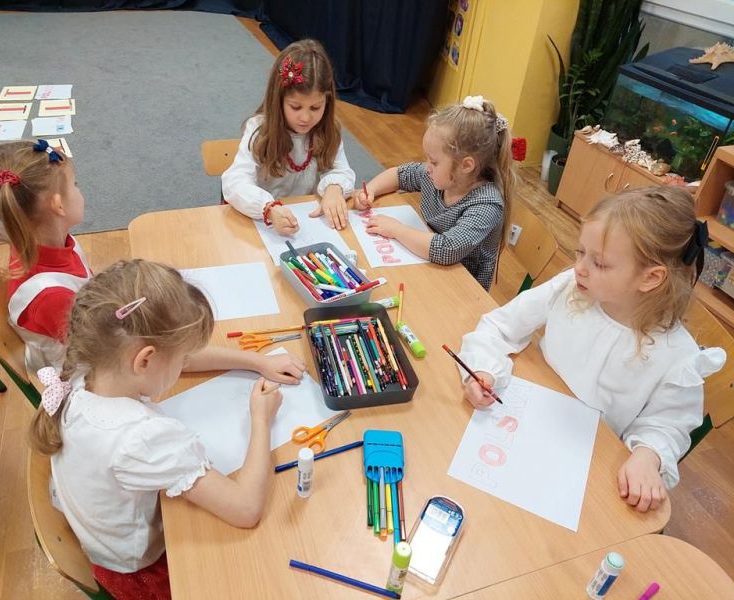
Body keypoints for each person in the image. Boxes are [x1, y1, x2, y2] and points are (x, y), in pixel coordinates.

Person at [29, 259, 287, 599]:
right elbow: (245, 509)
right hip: (140, 573)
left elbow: (182, 354)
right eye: (181, 360)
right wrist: (261, 419)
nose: (185, 365)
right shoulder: (143, 437)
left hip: (100, 541)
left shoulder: (86, 368)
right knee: (261, 567)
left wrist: (258, 361)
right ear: (145, 360)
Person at [458, 187, 726, 511]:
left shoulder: (677, 356)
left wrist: (648, 456)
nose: (580, 268)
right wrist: (483, 369)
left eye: (598, 263)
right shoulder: (570, 287)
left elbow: (667, 426)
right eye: (579, 252)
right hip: (521, 426)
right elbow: (501, 325)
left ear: (651, 277)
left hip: (584, 468)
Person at [354, 95, 513, 291]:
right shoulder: (439, 176)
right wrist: (371, 189)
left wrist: (396, 230)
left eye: (434, 162)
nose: (427, 167)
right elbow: (400, 175)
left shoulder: (487, 205)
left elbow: (447, 250)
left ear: (466, 165)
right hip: (426, 263)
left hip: (460, 289)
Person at [0, 139, 90, 371]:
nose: (80, 191)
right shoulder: (51, 297)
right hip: (81, 371)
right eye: (75, 185)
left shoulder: (44, 243)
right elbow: (98, 349)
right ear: (58, 205)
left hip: (91, 329)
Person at [222, 38, 356, 234]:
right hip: (263, 226)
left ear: (327, 101)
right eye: (295, 107)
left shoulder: (327, 131)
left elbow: (341, 170)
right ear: (278, 100)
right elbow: (235, 181)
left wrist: (334, 188)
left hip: (307, 225)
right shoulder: (259, 130)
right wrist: (268, 208)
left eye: (315, 108)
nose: (305, 117)